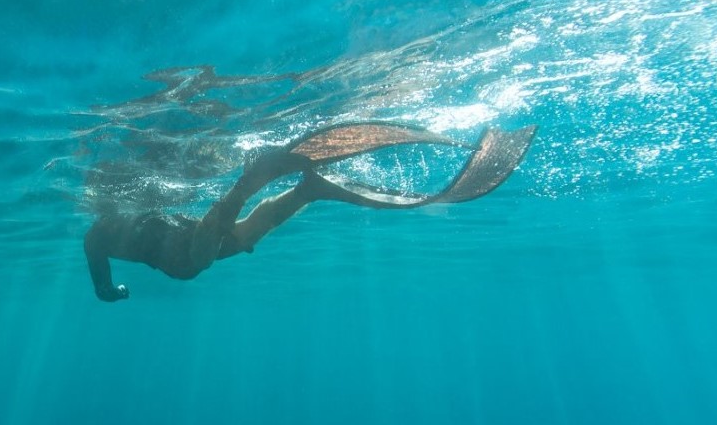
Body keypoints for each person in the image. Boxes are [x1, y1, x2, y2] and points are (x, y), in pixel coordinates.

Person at [84, 122, 536, 302]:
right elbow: (105, 288)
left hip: (182, 249)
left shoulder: (100, 232)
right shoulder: (102, 233)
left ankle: (251, 180)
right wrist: (116, 291)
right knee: (240, 238)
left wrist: (118, 291)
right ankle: (308, 191)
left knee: (199, 256)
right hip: (185, 239)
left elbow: (105, 288)